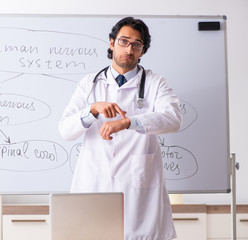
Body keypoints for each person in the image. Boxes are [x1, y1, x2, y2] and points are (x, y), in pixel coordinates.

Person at [58, 17, 182, 240]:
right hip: (94, 192)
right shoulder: (90, 84)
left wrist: (130, 122)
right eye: (124, 41)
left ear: (142, 51)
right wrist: (92, 110)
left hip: (140, 203)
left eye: (137, 44)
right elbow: (66, 130)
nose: (129, 49)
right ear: (112, 43)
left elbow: (173, 119)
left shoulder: (156, 84)